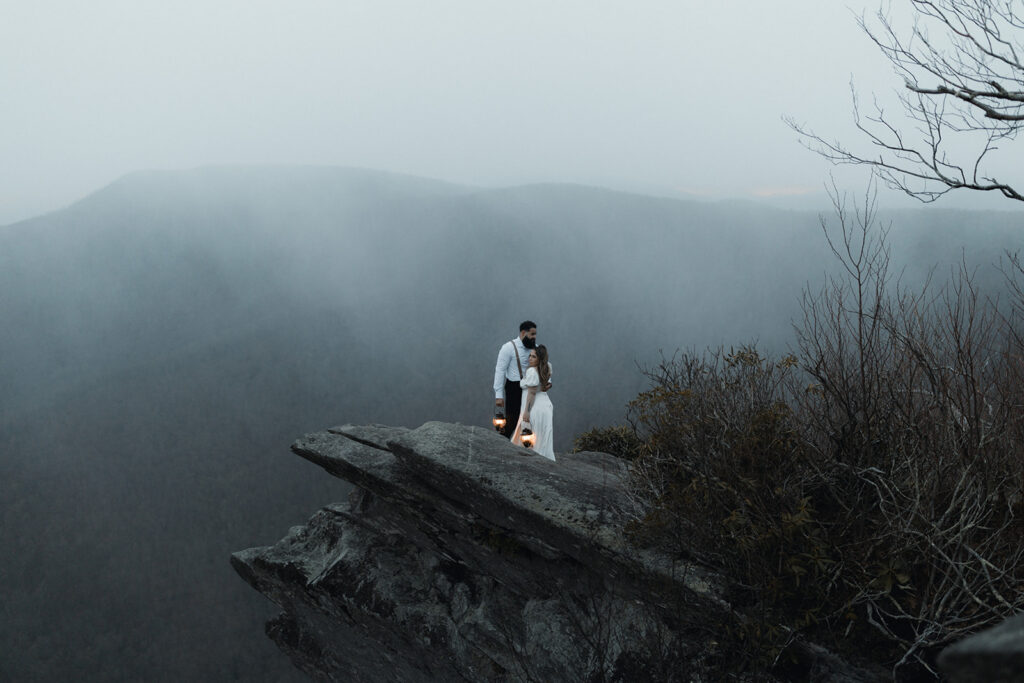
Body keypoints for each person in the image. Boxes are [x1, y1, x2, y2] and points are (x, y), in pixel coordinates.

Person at [493, 321, 539, 439]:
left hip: (532, 388)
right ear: (523, 333)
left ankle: (530, 450)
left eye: (535, 335)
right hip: (514, 388)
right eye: (532, 334)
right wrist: (499, 395)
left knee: (531, 420)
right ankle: (502, 445)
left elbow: (544, 366)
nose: (534, 337)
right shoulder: (508, 348)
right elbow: (500, 370)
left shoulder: (537, 348)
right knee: (512, 420)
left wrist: (548, 381)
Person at [511, 345, 555, 460]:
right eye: (530, 355)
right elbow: (548, 384)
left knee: (530, 439)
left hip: (534, 408)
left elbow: (531, 393)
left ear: (539, 359)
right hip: (546, 407)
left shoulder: (531, 371)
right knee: (543, 438)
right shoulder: (547, 368)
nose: (530, 358)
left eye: (533, 357)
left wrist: (526, 411)